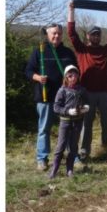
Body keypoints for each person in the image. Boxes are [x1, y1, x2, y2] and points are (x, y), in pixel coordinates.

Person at [67, 1, 107, 161]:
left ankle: (106, 148)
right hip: (86, 93)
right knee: (86, 125)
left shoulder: (106, 50)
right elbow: (71, 33)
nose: (95, 36)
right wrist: (71, 11)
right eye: (93, 34)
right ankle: (83, 152)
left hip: (105, 93)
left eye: (98, 34)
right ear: (88, 36)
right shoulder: (82, 50)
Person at [25, 23, 78, 171]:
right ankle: (42, 159)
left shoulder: (68, 53)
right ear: (48, 34)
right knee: (44, 128)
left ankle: (73, 156)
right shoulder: (39, 51)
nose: (56, 36)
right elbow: (28, 70)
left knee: (70, 128)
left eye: (59, 33)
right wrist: (37, 77)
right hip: (45, 97)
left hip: (66, 98)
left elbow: (75, 71)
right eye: (54, 33)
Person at [50, 65, 90, 179]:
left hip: (77, 122)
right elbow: (56, 107)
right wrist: (68, 111)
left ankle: (70, 170)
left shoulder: (82, 90)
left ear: (78, 76)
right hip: (65, 122)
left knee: (73, 147)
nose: (73, 77)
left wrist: (86, 108)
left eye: (75, 74)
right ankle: (54, 170)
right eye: (70, 75)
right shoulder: (62, 90)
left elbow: (87, 102)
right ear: (66, 77)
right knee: (60, 146)